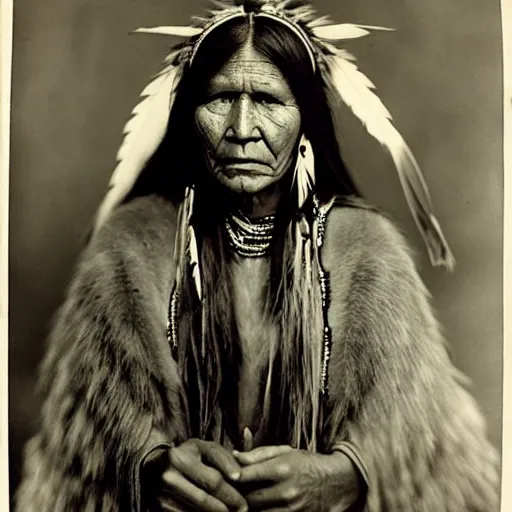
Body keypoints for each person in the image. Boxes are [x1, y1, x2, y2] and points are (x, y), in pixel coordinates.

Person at [16, 0, 499, 510]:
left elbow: (420, 442)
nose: (242, 128)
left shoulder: (368, 257)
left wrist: (351, 474)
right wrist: (150, 465)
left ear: (306, 119)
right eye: (221, 98)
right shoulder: (130, 251)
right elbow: (82, 449)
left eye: (268, 100)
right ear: (189, 116)